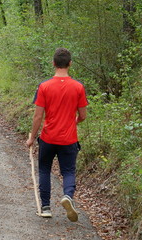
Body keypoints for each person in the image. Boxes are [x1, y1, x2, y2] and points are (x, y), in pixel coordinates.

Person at [26, 48, 88, 222]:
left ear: (53, 64)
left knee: (44, 169)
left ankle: (45, 207)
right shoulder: (78, 87)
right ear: (70, 64)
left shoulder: (44, 86)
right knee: (68, 171)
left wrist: (32, 137)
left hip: (48, 137)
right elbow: (83, 115)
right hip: (68, 139)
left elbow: (38, 115)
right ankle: (68, 196)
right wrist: (72, 123)